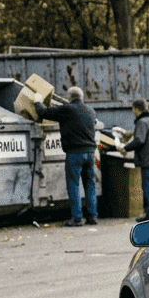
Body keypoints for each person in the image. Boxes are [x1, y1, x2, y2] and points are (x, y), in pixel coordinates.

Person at [36, 86, 100, 227]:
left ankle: (77, 218)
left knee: (74, 185)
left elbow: (43, 112)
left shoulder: (67, 109)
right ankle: (92, 217)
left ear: (69, 97)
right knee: (90, 185)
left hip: (75, 153)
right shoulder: (91, 110)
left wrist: (37, 101)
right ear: (81, 97)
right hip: (90, 153)